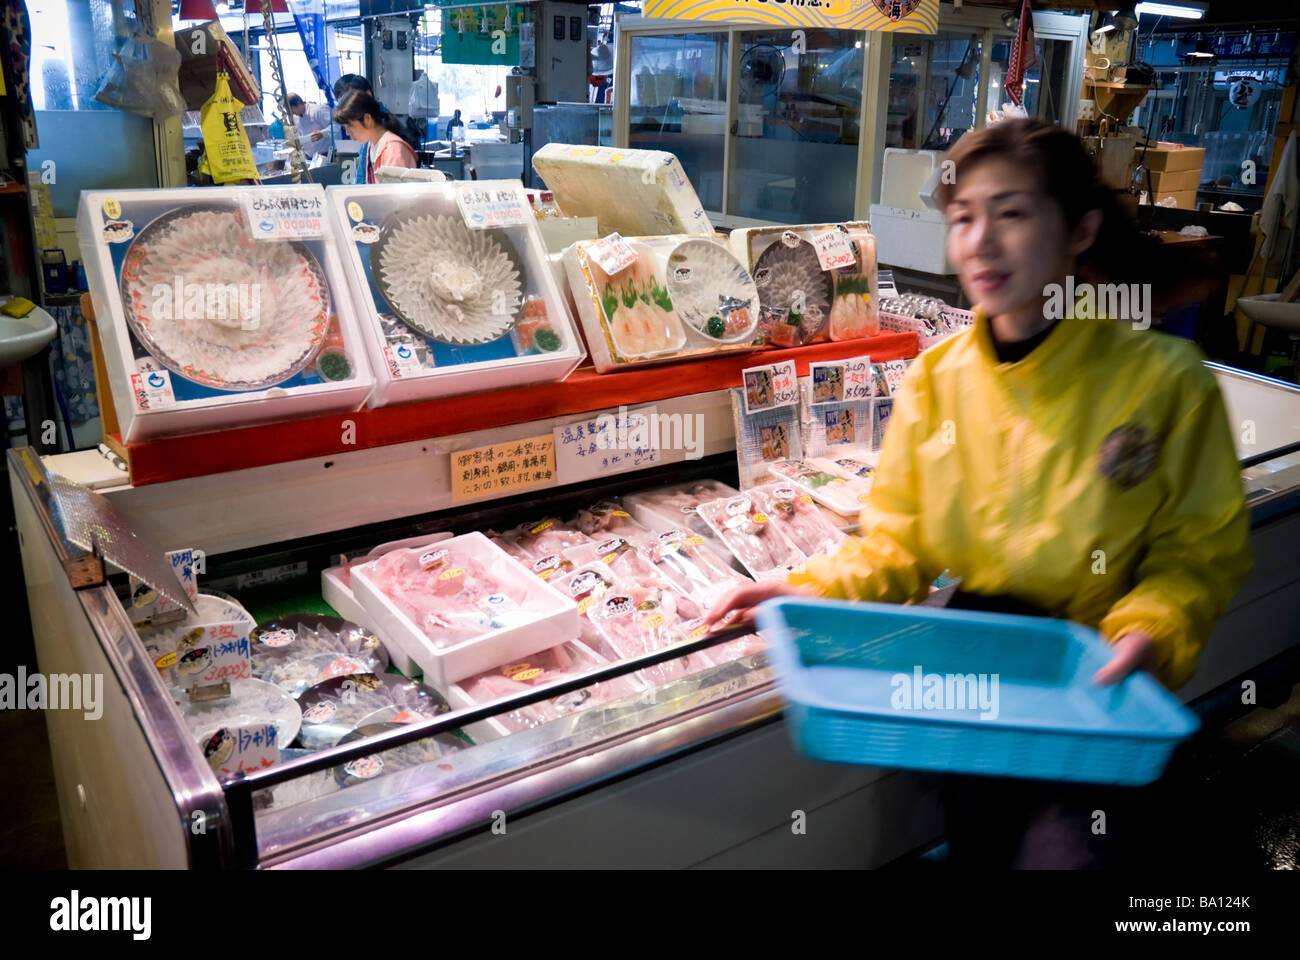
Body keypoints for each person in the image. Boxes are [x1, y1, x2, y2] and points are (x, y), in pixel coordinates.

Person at [707, 119, 1253, 869]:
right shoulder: (937, 382)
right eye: (963, 217)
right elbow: (899, 545)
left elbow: (1200, 551)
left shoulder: (1165, 381)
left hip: (1090, 691)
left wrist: (1152, 626)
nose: (980, 242)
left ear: (1080, 228)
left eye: (1014, 212)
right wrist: (798, 587)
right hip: (974, 690)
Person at [333, 89, 417, 182]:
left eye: (350, 126)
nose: (348, 132)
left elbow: (394, 195)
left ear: (367, 119)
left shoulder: (393, 149)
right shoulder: (371, 145)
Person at [286, 93, 336, 160]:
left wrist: (323, 133)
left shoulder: (318, 110)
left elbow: (336, 126)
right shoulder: (295, 118)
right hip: (309, 157)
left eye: (292, 109)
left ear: (298, 103)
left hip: (327, 155)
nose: (292, 113)